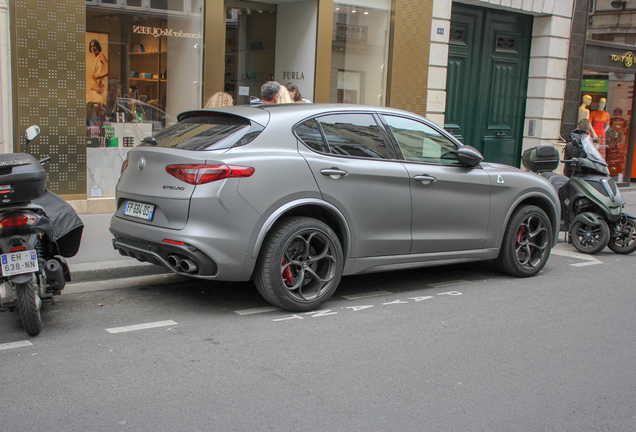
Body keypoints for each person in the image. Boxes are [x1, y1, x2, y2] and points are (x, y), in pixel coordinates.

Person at [88, 39, 109, 104]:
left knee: (99, 105)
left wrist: (98, 76)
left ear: (97, 46)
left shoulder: (101, 55)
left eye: (94, 46)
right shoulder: (96, 57)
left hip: (100, 87)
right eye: (91, 46)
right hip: (95, 87)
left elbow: (109, 70)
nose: (93, 48)